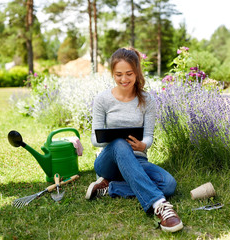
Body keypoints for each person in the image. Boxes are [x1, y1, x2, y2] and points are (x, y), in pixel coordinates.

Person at [85, 47, 183, 233]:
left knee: (168, 184)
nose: (124, 79)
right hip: (108, 162)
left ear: (137, 72)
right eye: (118, 74)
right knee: (120, 143)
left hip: (137, 159)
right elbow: (93, 139)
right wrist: (110, 139)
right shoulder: (102, 99)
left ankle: (109, 187)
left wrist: (143, 144)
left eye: (129, 73)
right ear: (113, 74)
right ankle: (160, 205)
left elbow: (149, 136)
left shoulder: (147, 100)